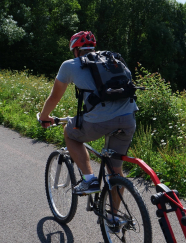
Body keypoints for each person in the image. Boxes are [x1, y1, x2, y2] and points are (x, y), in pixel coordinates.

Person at [39, 31, 138, 196]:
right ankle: (114, 218)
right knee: (115, 171)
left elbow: (55, 96)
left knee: (70, 133)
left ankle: (89, 180)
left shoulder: (70, 64)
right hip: (128, 119)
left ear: (76, 50)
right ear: (93, 47)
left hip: (100, 121)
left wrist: (44, 117)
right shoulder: (113, 60)